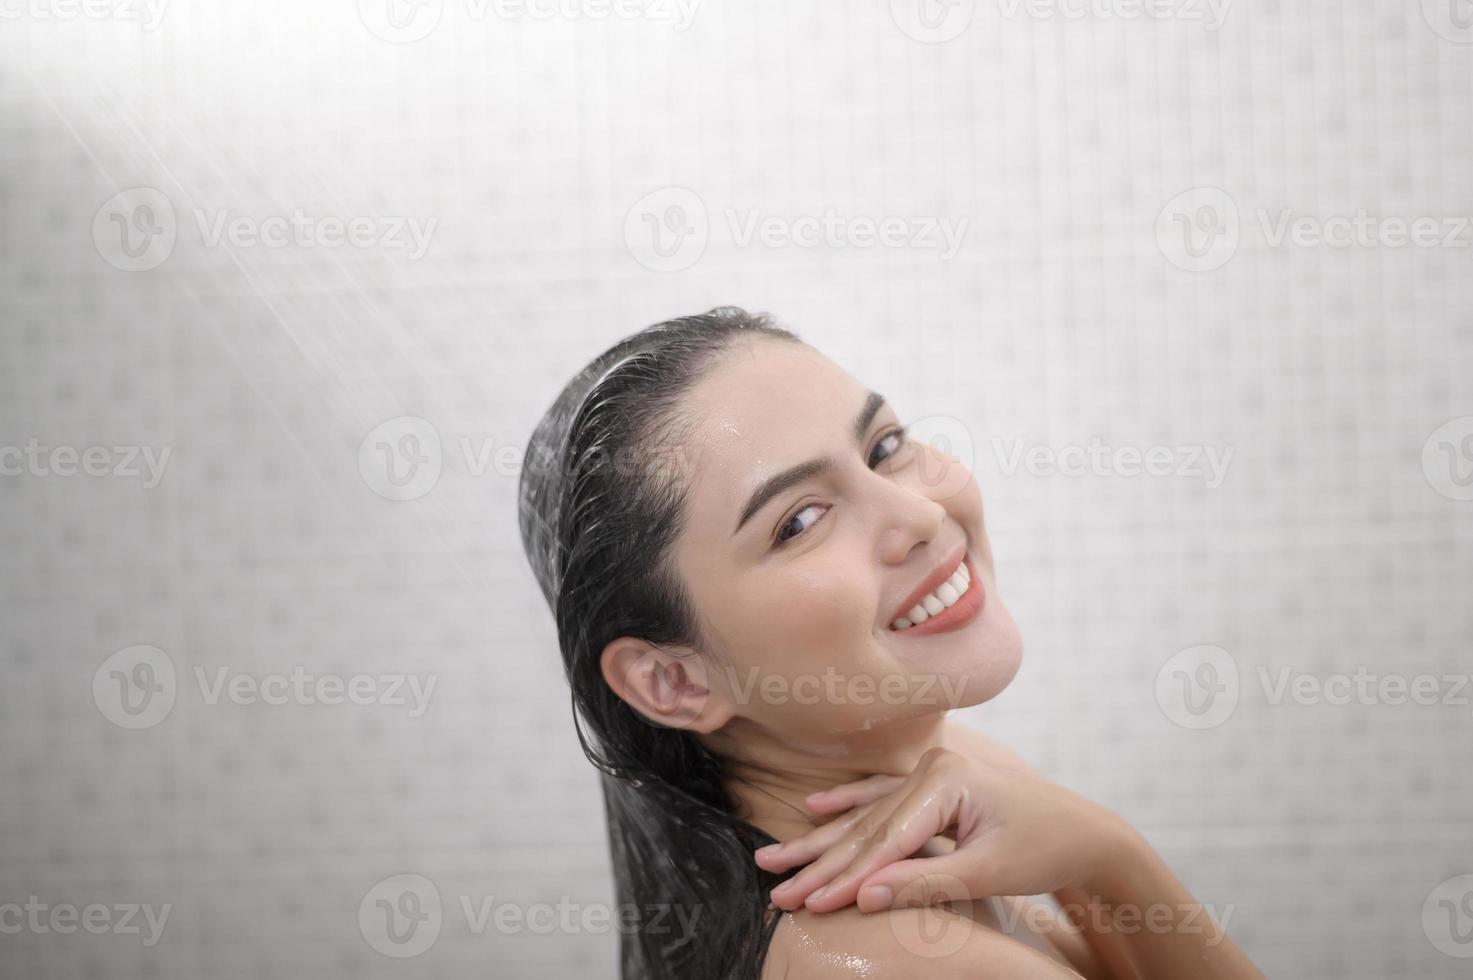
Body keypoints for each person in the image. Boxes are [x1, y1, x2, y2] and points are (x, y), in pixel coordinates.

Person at [517, 307, 1266, 979]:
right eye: (799, 521)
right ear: (675, 682)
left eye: (883, 448)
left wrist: (1100, 861)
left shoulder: (954, 777)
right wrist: (1112, 854)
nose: (916, 511)